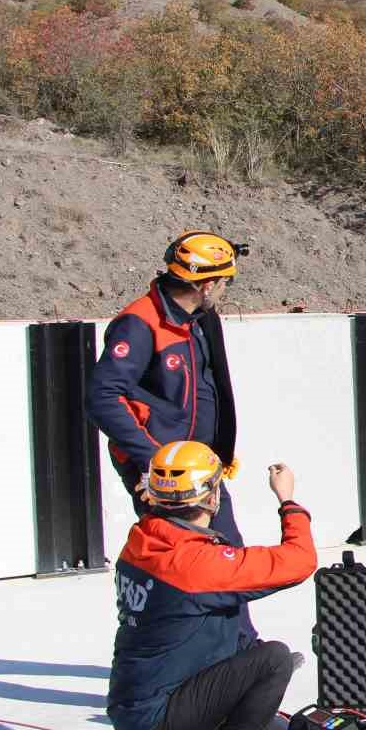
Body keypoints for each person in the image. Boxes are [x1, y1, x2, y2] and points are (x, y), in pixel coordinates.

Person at [106, 441, 317, 730]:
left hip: (134, 702)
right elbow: (299, 561)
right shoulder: (196, 565)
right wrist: (288, 501)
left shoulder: (142, 540)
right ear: (211, 496)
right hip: (159, 715)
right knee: (273, 661)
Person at [89, 232, 247, 544]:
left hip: (200, 463)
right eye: (224, 282)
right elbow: (101, 397)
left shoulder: (200, 318)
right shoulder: (140, 324)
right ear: (206, 285)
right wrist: (153, 461)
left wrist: (220, 448)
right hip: (165, 472)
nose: (225, 289)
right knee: (184, 558)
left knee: (227, 554)